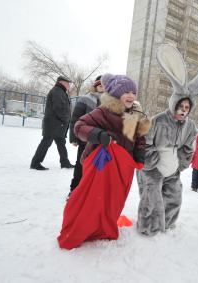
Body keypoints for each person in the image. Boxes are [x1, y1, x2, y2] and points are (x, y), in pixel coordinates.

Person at [136, 44, 198, 236]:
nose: (183, 110)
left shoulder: (190, 126)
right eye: (181, 105)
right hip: (152, 167)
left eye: (187, 107)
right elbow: (145, 143)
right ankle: (149, 228)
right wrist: (154, 162)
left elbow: (188, 148)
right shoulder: (158, 121)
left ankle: (167, 223)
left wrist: (180, 165)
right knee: (152, 196)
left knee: (174, 195)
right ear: (174, 104)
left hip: (172, 166)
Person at [57, 75, 151, 249]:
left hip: (123, 165)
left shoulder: (135, 114)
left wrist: (139, 155)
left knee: (114, 199)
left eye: (133, 92)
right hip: (102, 164)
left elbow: (139, 138)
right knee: (93, 199)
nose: (131, 95)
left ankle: (105, 227)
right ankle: (81, 227)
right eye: (126, 92)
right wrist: (99, 136)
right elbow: (79, 126)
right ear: (116, 93)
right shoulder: (104, 111)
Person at [67, 75, 104, 197]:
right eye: (100, 85)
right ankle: (74, 190)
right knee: (81, 165)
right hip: (86, 139)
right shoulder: (85, 99)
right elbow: (75, 118)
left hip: (103, 141)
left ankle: (91, 192)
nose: (102, 87)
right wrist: (73, 137)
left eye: (105, 85)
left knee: (98, 168)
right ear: (95, 86)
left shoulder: (111, 102)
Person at [30, 75, 74, 170]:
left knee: (61, 143)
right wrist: (66, 119)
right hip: (53, 124)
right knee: (46, 143)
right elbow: (58, 108)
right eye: (67, 83)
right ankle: (35, 163)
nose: (69, 85)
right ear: (62, 82)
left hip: (57, 124)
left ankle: (65, 162)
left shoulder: (60, 91)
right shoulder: (57, 92)